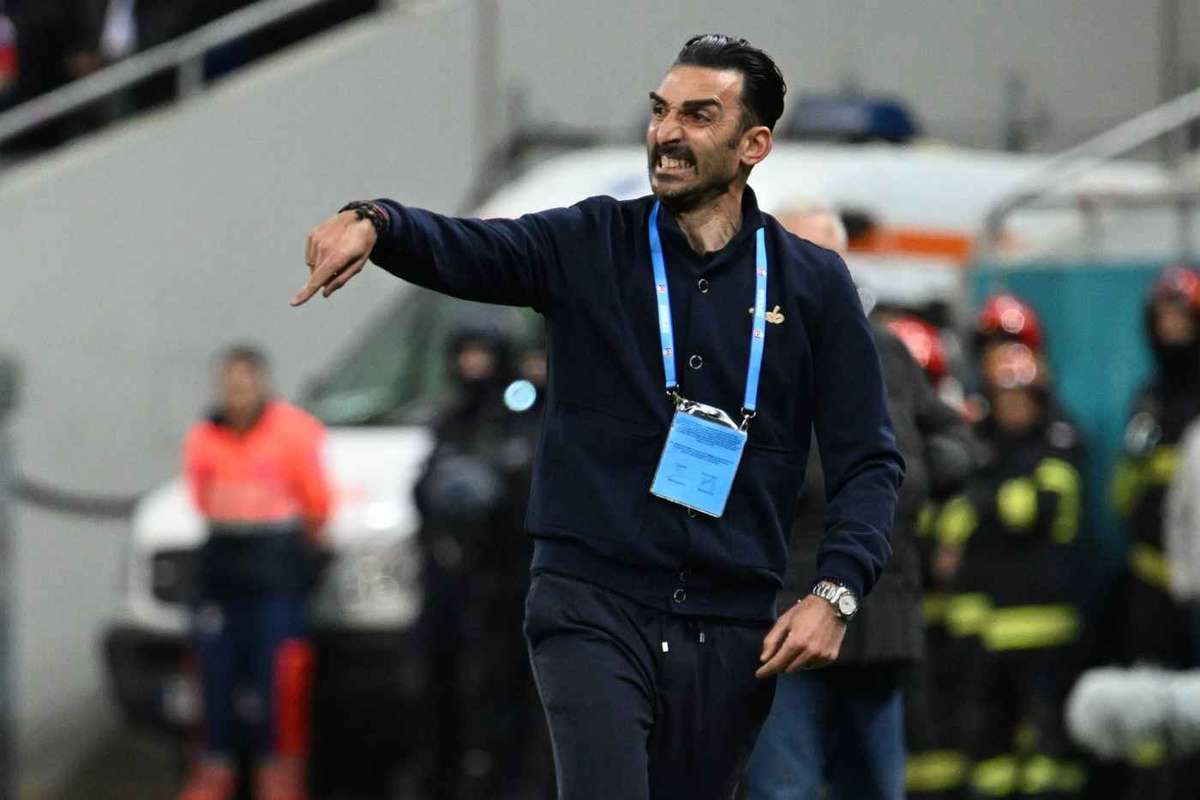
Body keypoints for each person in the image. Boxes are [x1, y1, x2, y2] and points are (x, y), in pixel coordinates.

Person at [293, 34, 903, 799]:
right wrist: (377, 221)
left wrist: (835, 592)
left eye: (698, 115)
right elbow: (475, 248)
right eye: (660, 110)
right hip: (591, 603)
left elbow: (868, 460)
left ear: (754, 144)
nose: (667, 132)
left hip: (732, 622)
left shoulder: (811, 282)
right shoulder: (592, 242)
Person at [740, 208, 973, 800]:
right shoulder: (743, 350)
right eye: (801, 252)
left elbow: (956, 439)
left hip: (878, 619)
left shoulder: (886, 351)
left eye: (829, 255)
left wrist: (913, 471)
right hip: (783, 614)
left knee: (874, 786)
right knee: (785, 789)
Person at [935, 340, 1087, 799]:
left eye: (1022, 398)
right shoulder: (985, 450)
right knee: (990, 751)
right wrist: (982, 513)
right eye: (1005, 399)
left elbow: (1034, 508)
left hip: (1046, 626)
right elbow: (949, 522)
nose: (1013, 409)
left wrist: (980, 510)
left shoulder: (1056, 445)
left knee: (1047, 750)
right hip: (991, 628)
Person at [180, 345, 331, 800]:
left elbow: (317, 503)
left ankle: (280, 775)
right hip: (222, 575)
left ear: (261, 383)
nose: (237, 391)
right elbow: (201, 497)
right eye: (229, 382)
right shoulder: (205, 436)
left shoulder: (293, 431)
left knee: (281, 680)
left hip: (276, 576)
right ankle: (215, 769)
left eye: (245, 381)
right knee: (213, 675)